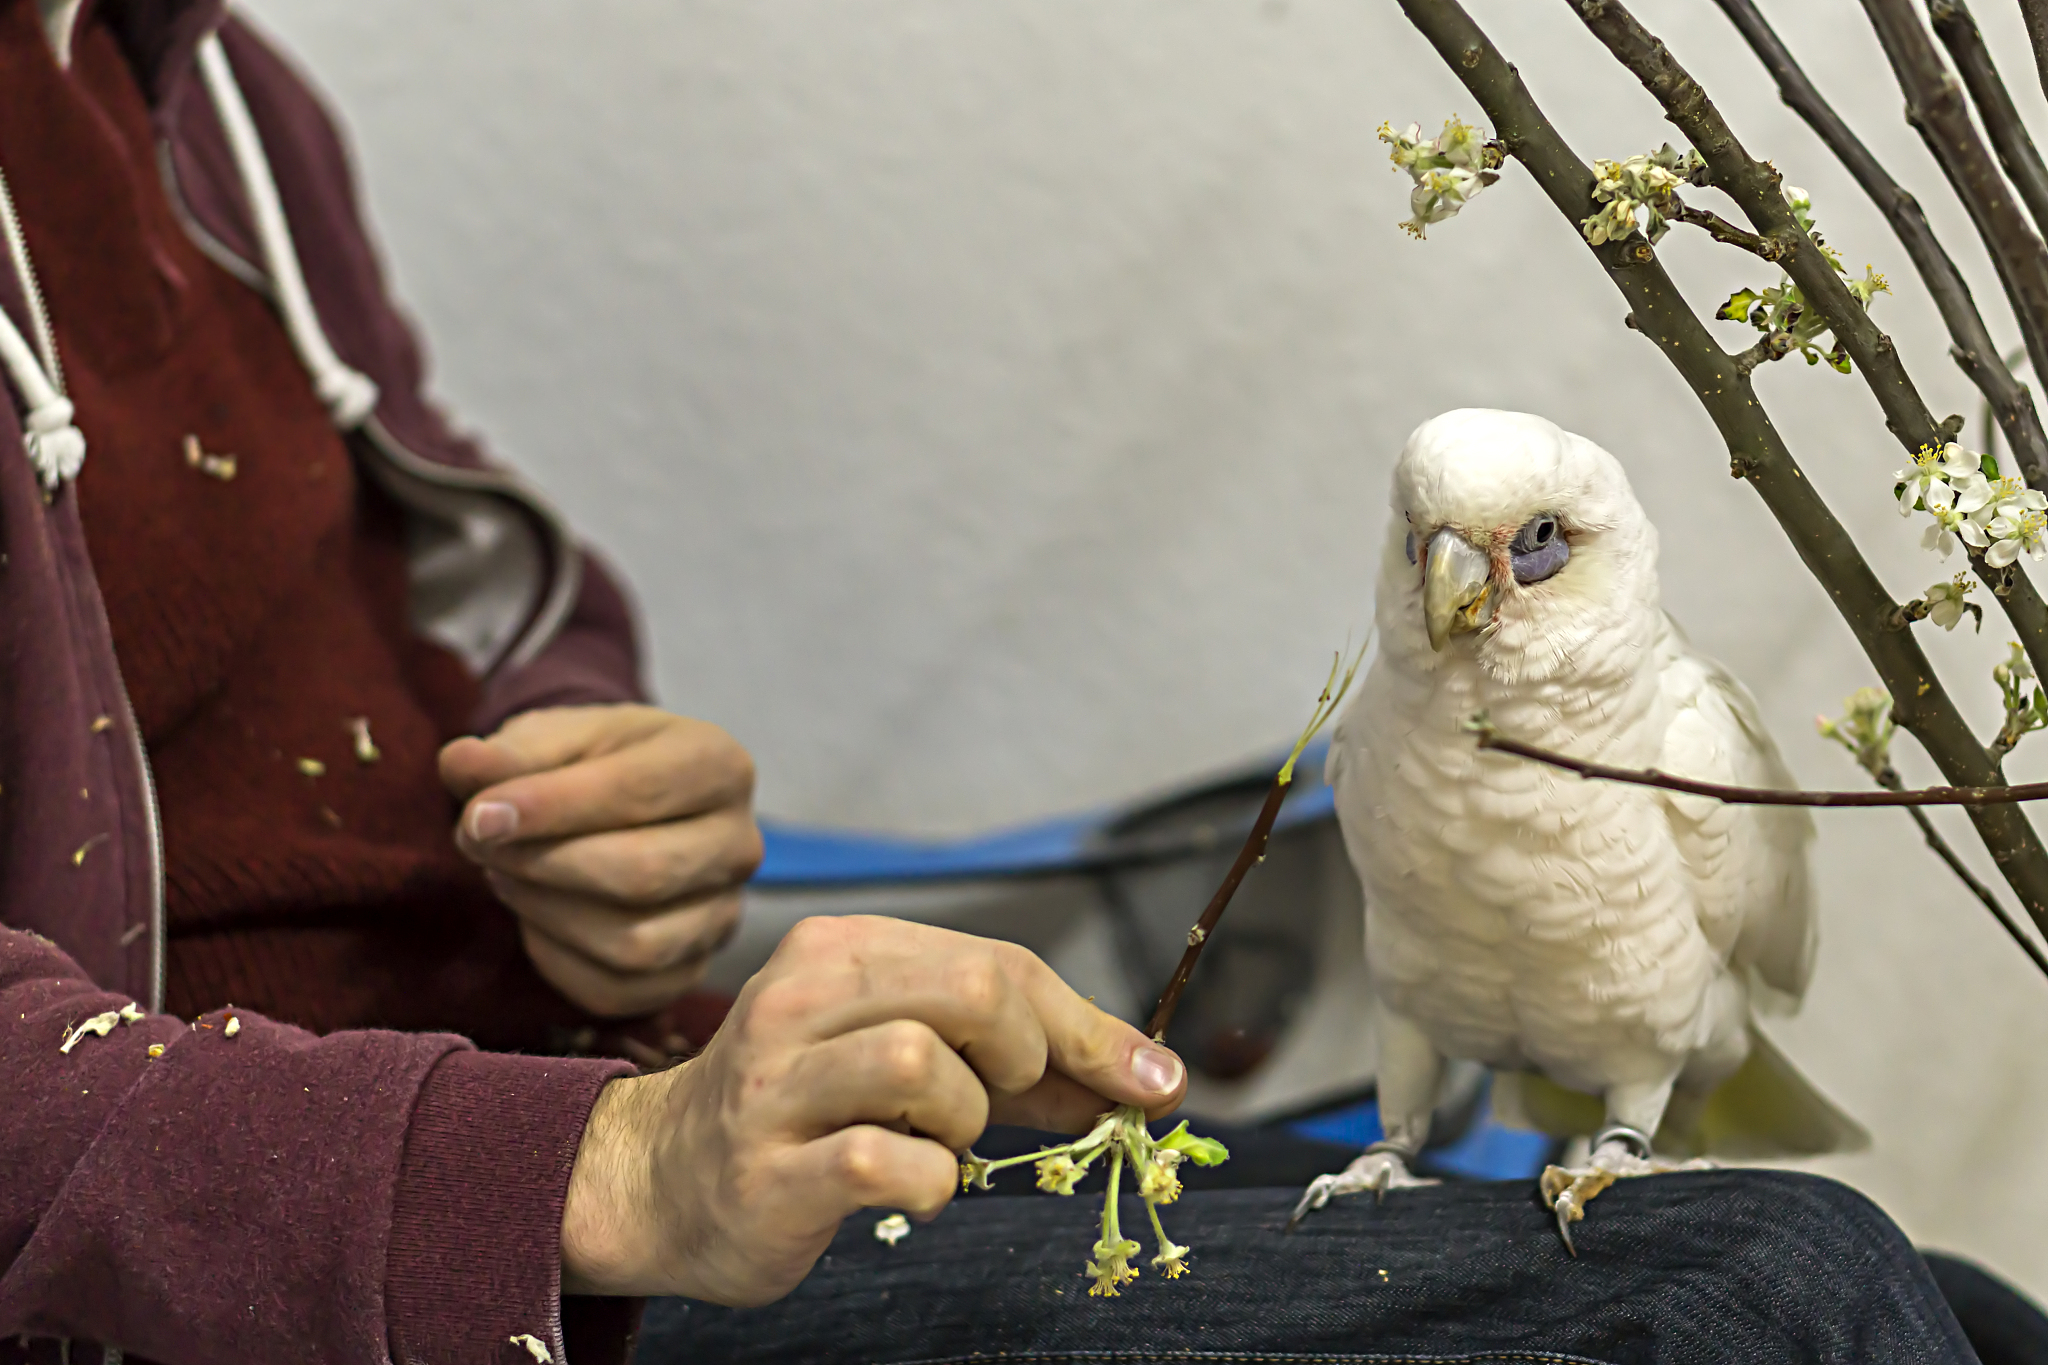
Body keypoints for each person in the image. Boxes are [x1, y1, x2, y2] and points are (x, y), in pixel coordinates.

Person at [0, 3, 2009, 1364]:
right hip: (361, 1243)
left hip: (597, 1077)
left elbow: (462, 573)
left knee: (1963, 1308)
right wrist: (605, 1165)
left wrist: (587, 782)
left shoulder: (202, 87)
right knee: (1768, 1286)